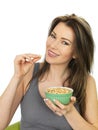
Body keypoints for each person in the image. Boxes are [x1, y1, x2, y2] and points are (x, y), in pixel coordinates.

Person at [0, 14, 98, 130]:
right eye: (53, 36)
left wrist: (70, 112)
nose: (53, 45)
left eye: (65, 42)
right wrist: (17, 77)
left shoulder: (86, 82)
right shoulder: (29, 72)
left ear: (76, 53)